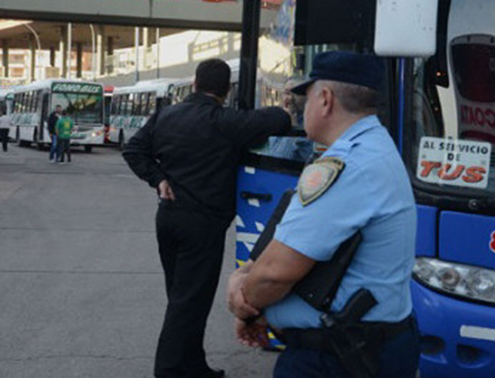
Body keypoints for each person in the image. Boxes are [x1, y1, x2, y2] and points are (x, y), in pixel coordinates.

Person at [227, 51, 420, 378]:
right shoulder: (375, 148)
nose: (303, 108)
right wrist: (246, 279)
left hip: (337, 358)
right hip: (362, 347)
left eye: (307, 97)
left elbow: (277, 272)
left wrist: (244, 302)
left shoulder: (347, 166)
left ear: (326, 99)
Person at [122, 58, 291, 378]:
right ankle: (170, 370)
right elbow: (278, 120)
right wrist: (285, 105)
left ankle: (192, 365)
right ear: (227, 90)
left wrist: (157, 177)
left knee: (184, 298)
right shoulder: (226, 121)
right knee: (188, 302)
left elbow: (134, 151)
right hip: (203, 225)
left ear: (195, 84)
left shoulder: (165, 115)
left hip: (168, 218)